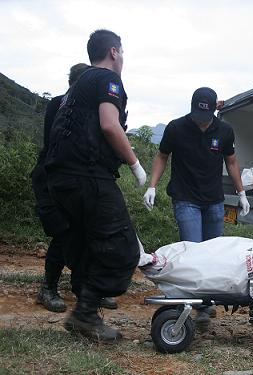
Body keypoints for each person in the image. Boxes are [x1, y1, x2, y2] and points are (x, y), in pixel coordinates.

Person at [45, 29, 146, 342]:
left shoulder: (78, 86)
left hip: (60, 179)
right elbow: (108, 124)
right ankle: (86, 314)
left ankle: (85, 314)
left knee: (86, 243)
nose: (123, 58)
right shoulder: (107, 80)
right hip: (87, 175)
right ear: (114, 52)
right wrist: (135, 165)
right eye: (123, 52)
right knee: (122, 248)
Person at [142, 87, 250, 328]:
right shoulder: (176, 128)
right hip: (185, 198)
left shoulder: (224, 131)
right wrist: (152, 186)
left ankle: (205, 301)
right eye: (197, 115)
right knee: (192, 251)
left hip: (214, 200)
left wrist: (241, 192)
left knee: (213, 254)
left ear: (214, 110)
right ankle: (196, 305)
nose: (201, 121)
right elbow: (162, 155)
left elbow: (231, 161)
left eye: (205, 116)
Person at [31, 63, 118, 313]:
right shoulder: (59, 104)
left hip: (81, 178)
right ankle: (48, 288)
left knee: (89, 233)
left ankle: (87, 289)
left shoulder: (92, 109)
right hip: (54, 177)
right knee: (63, 232)